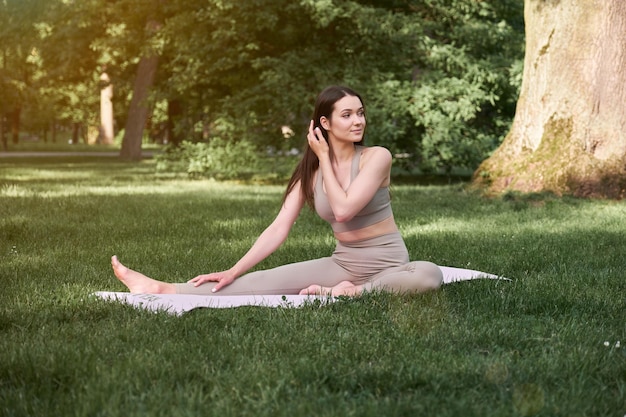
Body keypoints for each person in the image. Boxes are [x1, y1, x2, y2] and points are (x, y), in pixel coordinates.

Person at [111, 85, 443, 297]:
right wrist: (234, 269)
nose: (357, 121)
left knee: (428, 275)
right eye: (347, 115)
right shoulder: (309, 173)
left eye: (360, 113)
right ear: (325, 124)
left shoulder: (377, 157)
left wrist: (324, 155)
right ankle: (159, 288)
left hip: (390, 266)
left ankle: (351, 293)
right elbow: (278, 227)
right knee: (254, 284)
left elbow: (344, 210)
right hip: (343, 264)